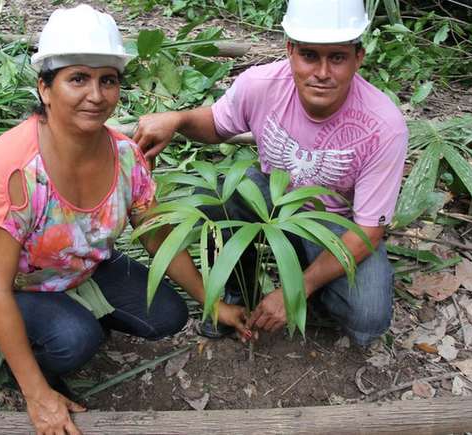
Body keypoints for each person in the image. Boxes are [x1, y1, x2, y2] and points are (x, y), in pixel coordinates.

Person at [0, 5, 248, 435]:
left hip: (79, 269)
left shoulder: (126, 156)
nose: (96, 95)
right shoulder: (13, 171)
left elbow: (156, 237)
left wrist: (210, 301)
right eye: (78, 78)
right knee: (76, 341)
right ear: (45, 88)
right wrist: (37, 396)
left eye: (106, 80)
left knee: (167, 315)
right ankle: (29, 366)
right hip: (14, 286)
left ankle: (71, 321)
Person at [134, 0, 408, 347]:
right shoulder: (260, 85)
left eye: (336, 57)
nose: (322, 72)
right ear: (290, 50)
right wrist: (178, 119)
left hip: (336, 223)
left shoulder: (383, 125)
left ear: (359, 57)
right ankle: (236, 290)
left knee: (367, 318)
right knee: (224, 195)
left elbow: (369, 229)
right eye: (309, 55)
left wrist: (297, 289)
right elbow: (217, 124)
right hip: (273, 198)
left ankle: (312, 280)